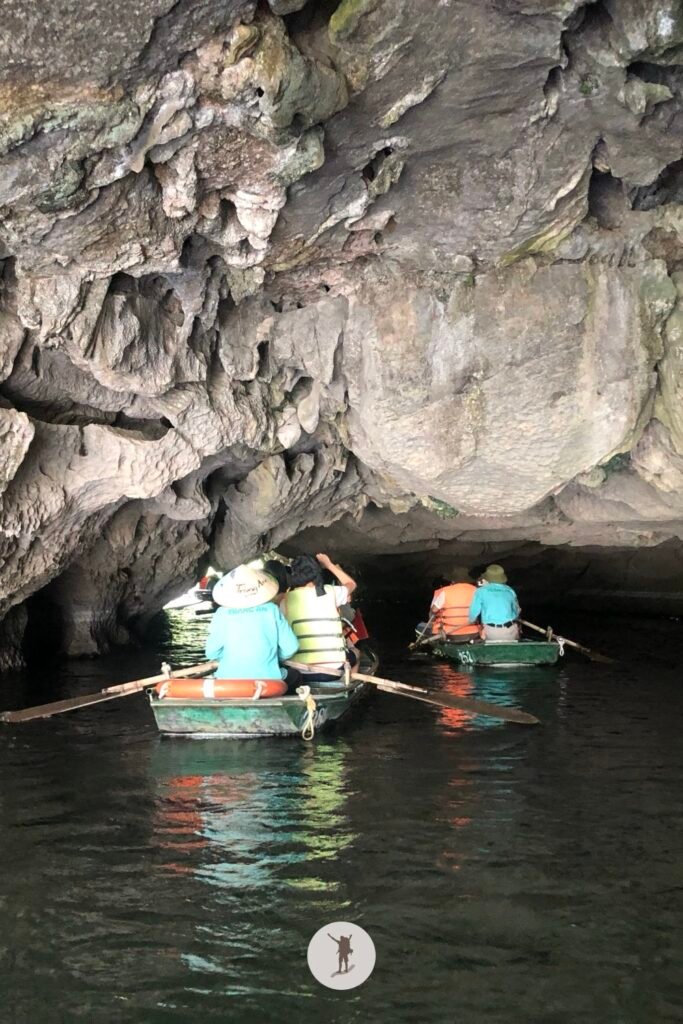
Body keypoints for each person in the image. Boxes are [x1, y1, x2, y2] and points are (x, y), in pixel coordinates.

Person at [205, 564, 299, 680]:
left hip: (228, 679)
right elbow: (291, 647)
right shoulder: (272, 609)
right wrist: (273, 656)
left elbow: (211, 653)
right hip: (269, 680)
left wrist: (232, 658)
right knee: (295, 676)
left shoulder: (222, 613)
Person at [282, 552, 357, 682]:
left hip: (298, 671)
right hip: (333, 670)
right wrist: (329, 565)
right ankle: (347, 687)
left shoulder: (285, 600)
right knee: (356, 654)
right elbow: (351, 584)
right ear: (317, 573)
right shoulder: (331, 592)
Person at [468, 564, 521, 641]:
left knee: (481, 636)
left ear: (487, 578)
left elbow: (473, 613)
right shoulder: (510, 590)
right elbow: (516, 611)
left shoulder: (480, 591)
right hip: (510, 630)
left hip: (491, 631)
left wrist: (471, 621)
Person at [426, 565, 480, 641]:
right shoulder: (476, 590)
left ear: (453, 581)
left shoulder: (445, 591)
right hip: (473, 632)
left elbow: (434, 610)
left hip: (448, 633)